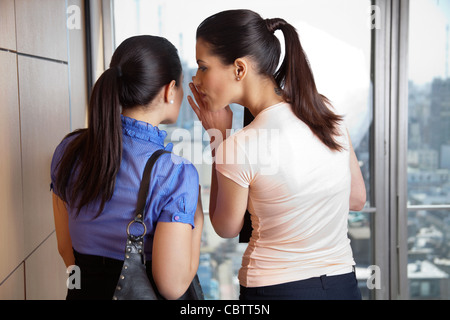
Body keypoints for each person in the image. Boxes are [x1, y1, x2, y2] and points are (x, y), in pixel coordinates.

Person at [188, 9, 366, 300]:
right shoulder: (325, 113)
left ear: (239, 69)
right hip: (342, 285)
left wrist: (217, 139)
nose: (196, 78)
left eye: (203, 66)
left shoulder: (241, 144)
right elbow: (357, 198)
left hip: (275, 289)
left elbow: (226, 227)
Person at [51, 35, 203, 300]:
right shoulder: (175, 172)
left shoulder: (69, 149)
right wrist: (197, 220)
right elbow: (172, 286)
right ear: (169, 90)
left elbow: (66, 249)